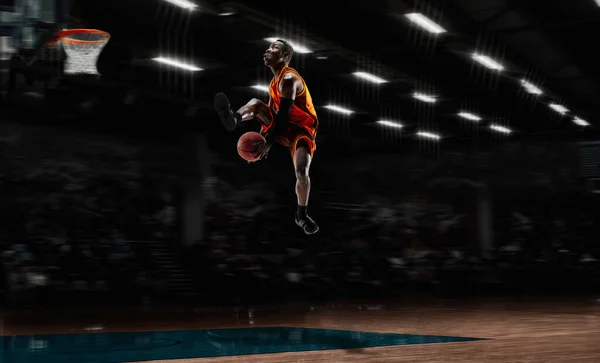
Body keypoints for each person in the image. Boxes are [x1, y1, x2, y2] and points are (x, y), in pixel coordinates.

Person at [214, 39, 319, 235]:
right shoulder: (274, 82)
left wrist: (268, 143)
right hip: (282, 125)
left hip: (301, 130)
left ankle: (301, 215)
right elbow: (270, 114)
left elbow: (283, 119)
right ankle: (234, 119)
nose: (268, 49)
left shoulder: (290, 80)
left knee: (302, 172)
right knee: (255, 103)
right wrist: (262, 140)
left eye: (274, 48)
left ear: (285, 57)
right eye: (269, 47)